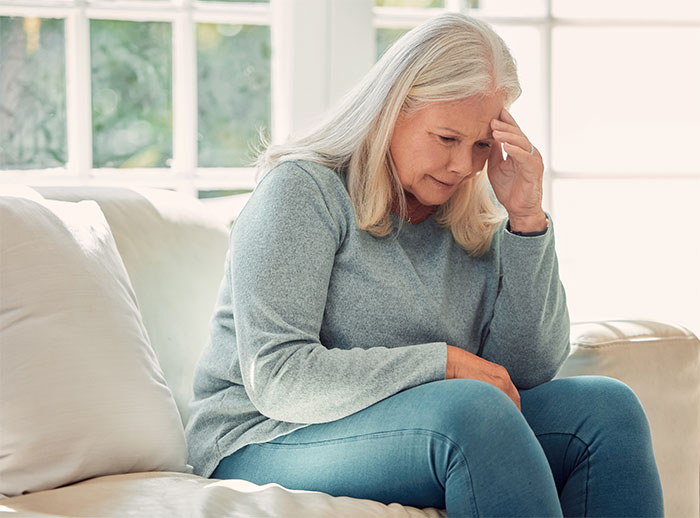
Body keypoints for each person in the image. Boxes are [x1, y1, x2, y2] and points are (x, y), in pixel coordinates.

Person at [186, 13, 663, 517]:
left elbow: (525, 370)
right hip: (262, 436)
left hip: (414, 427)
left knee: (608, 409)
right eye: (446, 138)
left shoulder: (472, 214)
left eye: (481, 144)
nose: (464, 166)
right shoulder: (302, 191)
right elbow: (279, 378)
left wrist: (526, 220)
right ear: (392, 110)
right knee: (472, 412)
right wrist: (443, 364)